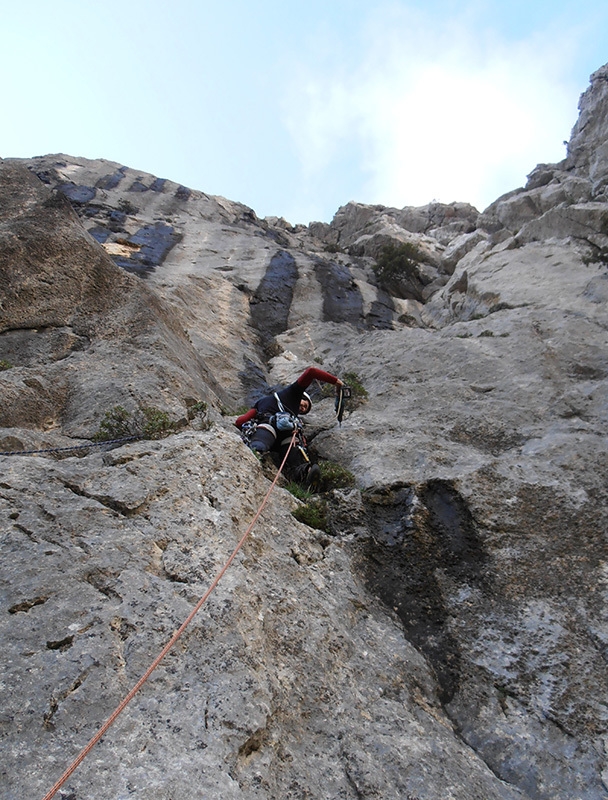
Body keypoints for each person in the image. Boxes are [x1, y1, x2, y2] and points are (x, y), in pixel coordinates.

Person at [235, 366, 343, 485]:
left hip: (282, 439)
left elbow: (241, 421)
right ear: (299, 397)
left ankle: (304, 472)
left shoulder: (264, 405)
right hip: (267, 429)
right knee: (266, 430)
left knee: (292, 444)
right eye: (303, 405)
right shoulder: (291, 393)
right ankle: (256, 451)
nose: (302, 408)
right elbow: (311, 372)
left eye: (305, 409)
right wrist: (337, 382)